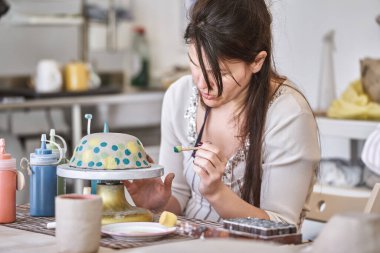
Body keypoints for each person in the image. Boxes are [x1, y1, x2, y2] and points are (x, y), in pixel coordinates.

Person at [124, 0, 320, 230]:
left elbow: (281, 227)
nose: (203, 84)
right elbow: (179, 194)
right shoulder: (179, 96)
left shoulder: (288, 114)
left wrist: (217, 193)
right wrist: (157, 204)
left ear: (257, 61)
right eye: (195, 65)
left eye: (221, 73)